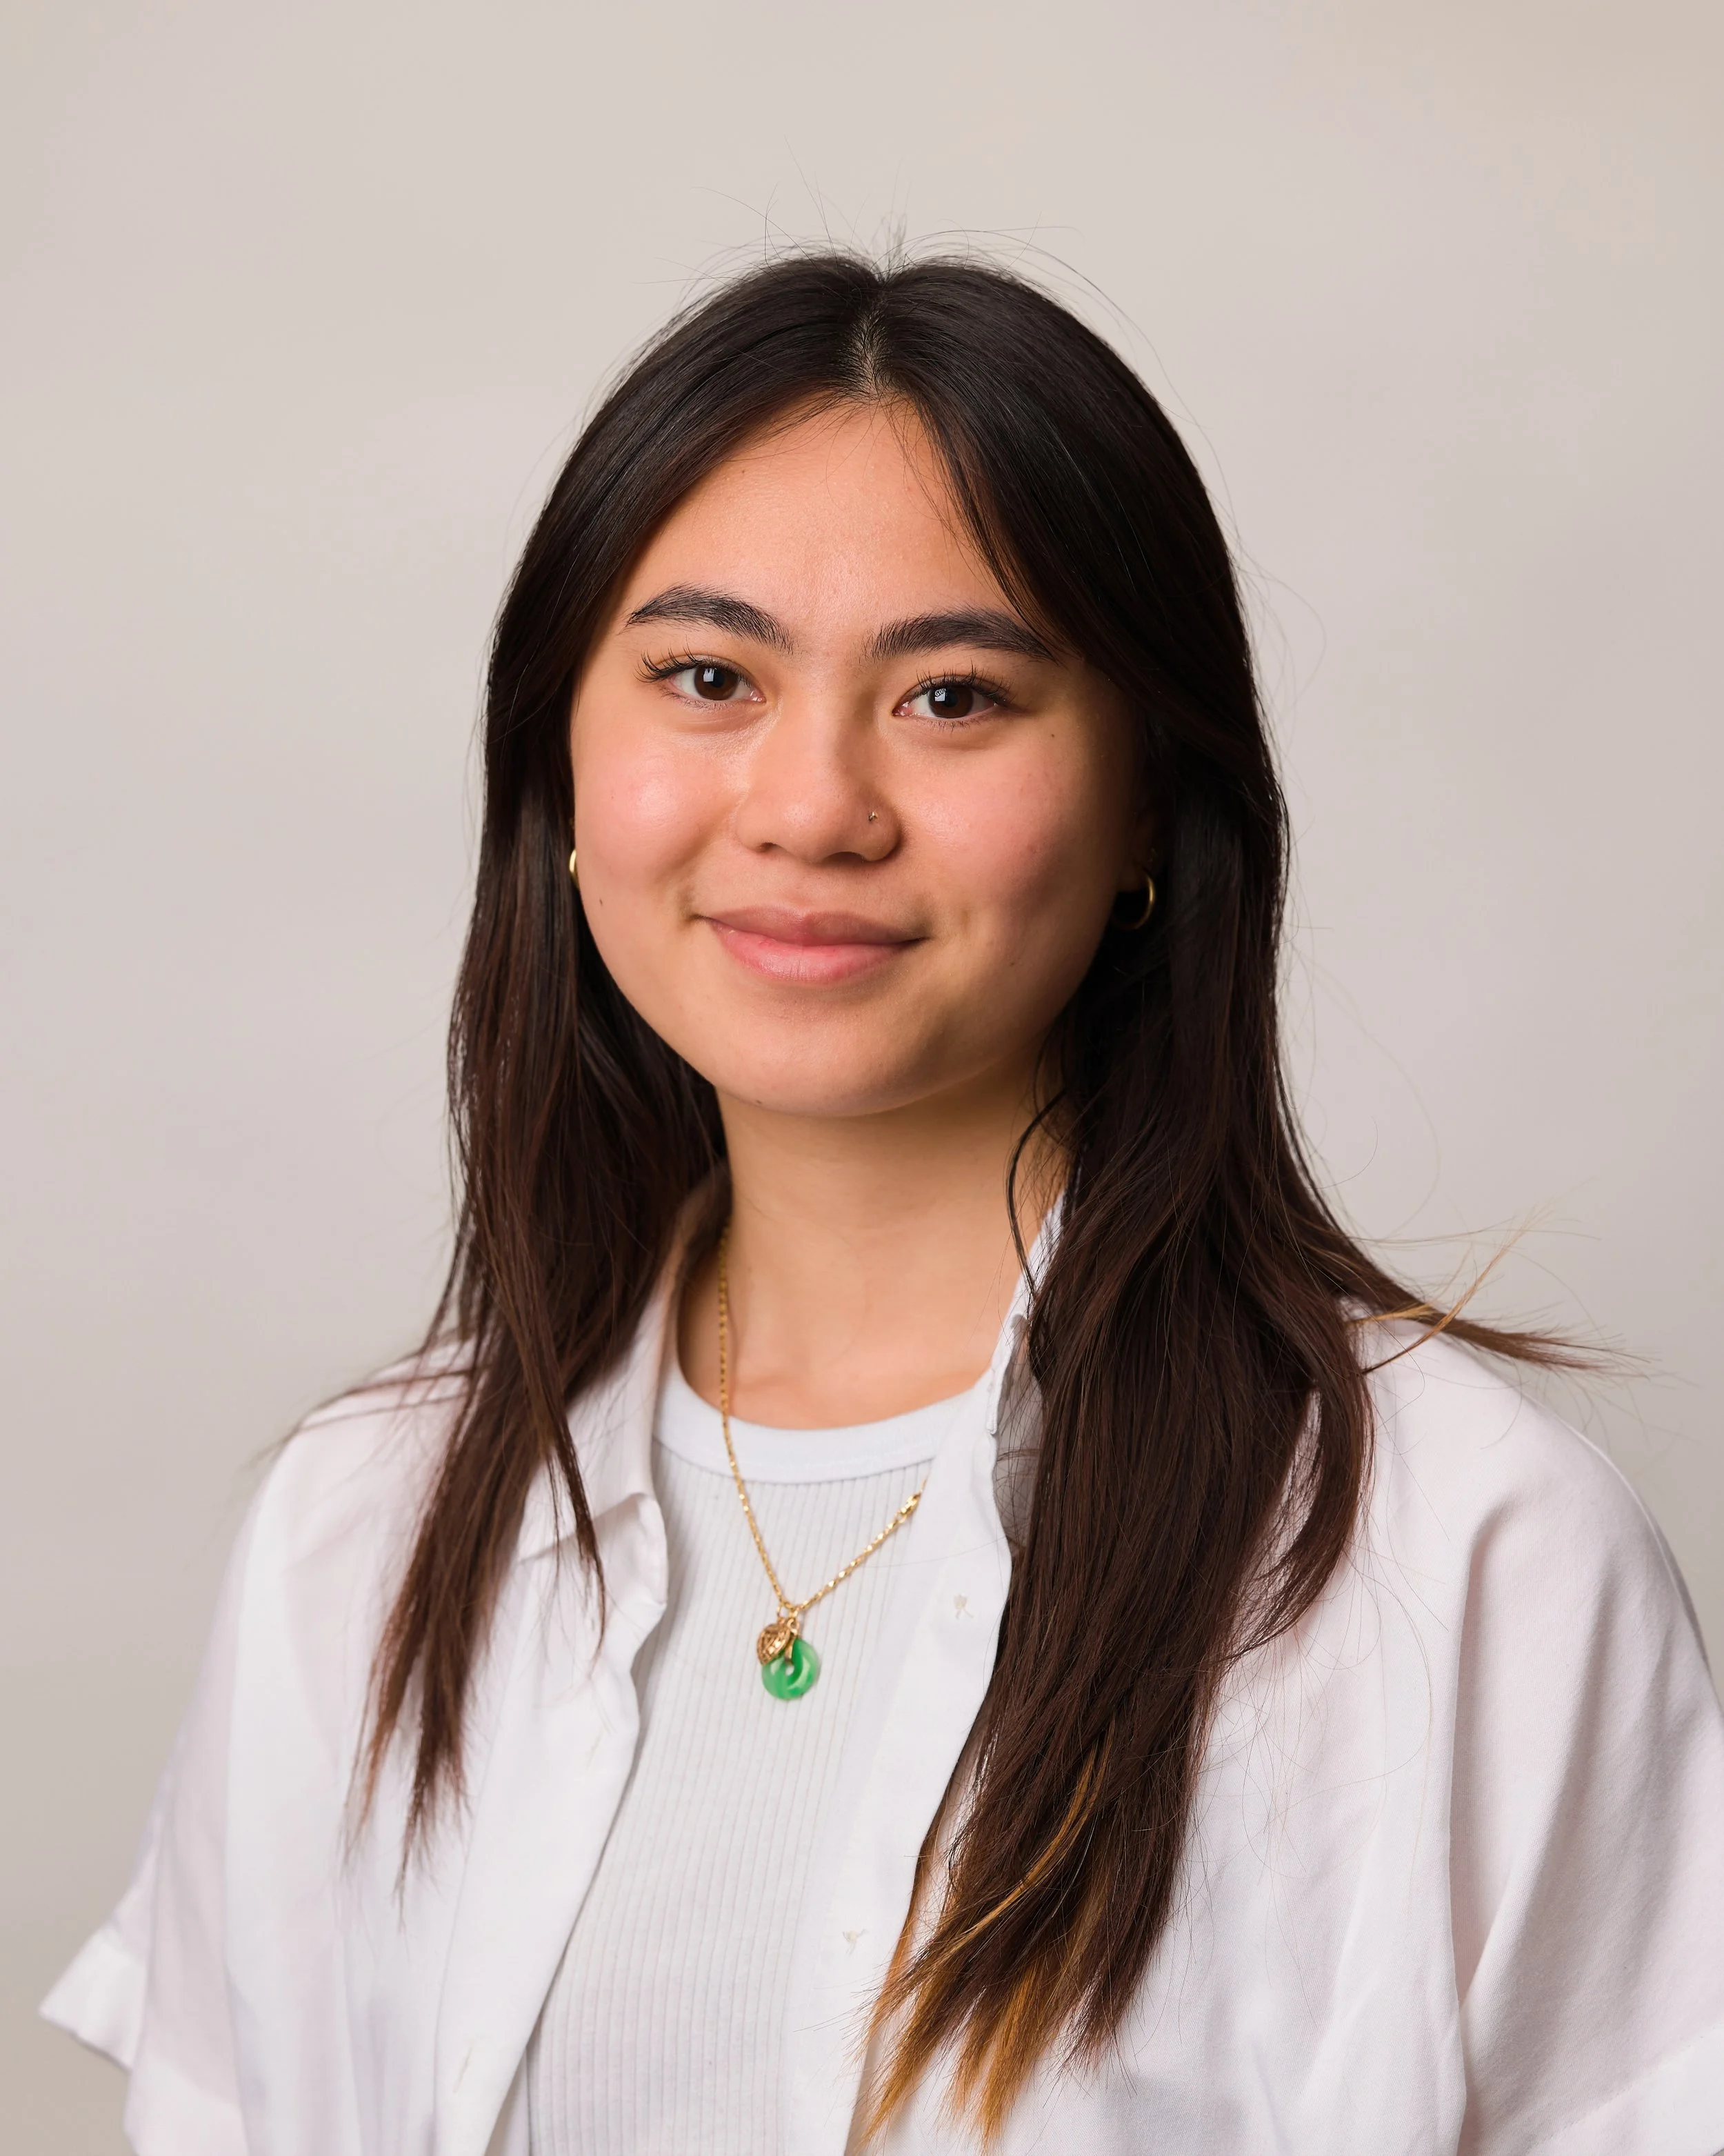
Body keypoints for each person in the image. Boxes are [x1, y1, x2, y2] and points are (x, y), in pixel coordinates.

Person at [43, 252, 1724, 2156]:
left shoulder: (1452, 1557)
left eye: (950, 694)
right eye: (705, 676)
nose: (813, 803)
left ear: (1147, 814)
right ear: (561, 773)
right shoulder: (357, 1534)